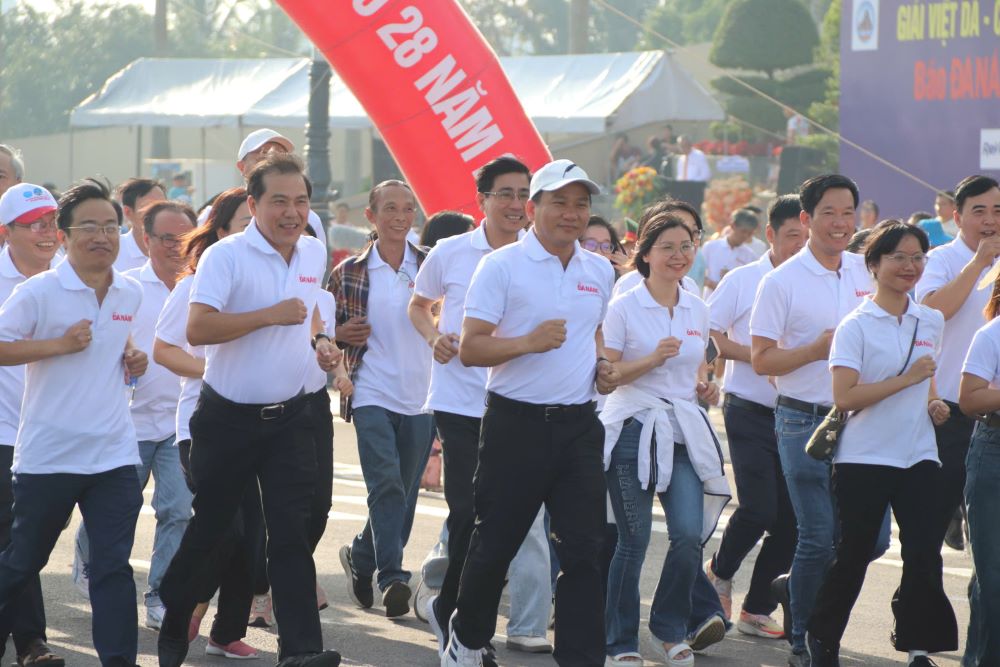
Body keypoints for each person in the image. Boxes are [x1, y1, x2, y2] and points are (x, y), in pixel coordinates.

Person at [156, 152, 342, 667]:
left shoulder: (311, 253)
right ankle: (176, 618)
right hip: (227, 419)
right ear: (254, 203)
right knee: (214, 529)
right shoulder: (226, 257)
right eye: (278, 201)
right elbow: (198, 330)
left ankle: (300, 650)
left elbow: (306, 320)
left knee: (290, 532)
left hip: (290, 419)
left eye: (300, 201)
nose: (291, 212)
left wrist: (322, 342)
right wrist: (268, 316)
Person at [441, 159, 615, 667]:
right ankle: (468, 638)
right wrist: (527, 343)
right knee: (496, 542)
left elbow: (593, 334)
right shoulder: (501, 267)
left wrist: (602, 364)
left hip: (579, 425)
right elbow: (472, 349)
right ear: (532, 207)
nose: (571, 213)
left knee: (585, 548)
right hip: (515, 423)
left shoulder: (599, 270)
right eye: (559, 201)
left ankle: (581, 658)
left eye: (581, 203)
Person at [410, 156, 554, 659]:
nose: (516, 205)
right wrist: (434, 337)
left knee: (497, 522)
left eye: (524, 195)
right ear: (483, 200)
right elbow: (418, 304)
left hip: (517, 402)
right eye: (506, 194)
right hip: (459, 401)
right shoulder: (451, 252)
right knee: (470, 511)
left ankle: (456, 615)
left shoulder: (543, 255)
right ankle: (465, 627)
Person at [0, 178, 148, 666]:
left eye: (111, 226)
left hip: (113, 455)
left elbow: (113, 349)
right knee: (23, 563)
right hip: (49, 456)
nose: (102, 236)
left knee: (111, 569)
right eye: (89, 226)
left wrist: (132, 359)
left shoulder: (128, 293)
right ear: (63, 235)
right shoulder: (39, 292)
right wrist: (57, 345)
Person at [750, 174, 891, 667]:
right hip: (801, 421)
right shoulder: (780, 281)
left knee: (872, 538)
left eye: (848, 212)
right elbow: (763, 361)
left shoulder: (867, 271)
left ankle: (796, 585)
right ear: (806, 219)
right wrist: (814, 350)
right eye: (829, 212)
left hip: (863, 419)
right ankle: (804, 643)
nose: (840, 223)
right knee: (815, 533)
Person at [806, 221, 958, 667]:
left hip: (919, 454)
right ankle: (822, 637)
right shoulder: (855, 326)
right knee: (853, 554)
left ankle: (916, 647)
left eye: (917, 258)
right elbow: (845, 397)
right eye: (898, 258)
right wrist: (906, 381)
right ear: (873, 265)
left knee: (923, 555)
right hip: (864, 457)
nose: (909, 267)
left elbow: (926, 381)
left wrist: (932, 403)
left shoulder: (930, 320)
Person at [600, 212, 730, 667]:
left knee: (689, 536)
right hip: (633, 426)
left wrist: (705, 387)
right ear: (646, 254)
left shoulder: (697, 305)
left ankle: (669, 628)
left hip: (684, 428)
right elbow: (607, 376)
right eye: (668, 247)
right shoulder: (625, 306)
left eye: (687, 246)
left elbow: (698, 368)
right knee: (632, 541)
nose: (679, 256)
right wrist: (651, 360)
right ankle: (619, 641)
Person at [74, 200, 196, 629]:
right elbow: (99, 345)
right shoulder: (125, 288)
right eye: (167, 238)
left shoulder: (201, 288)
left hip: (179, 422)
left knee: (179, 510)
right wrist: (128, 356)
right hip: (128, 422)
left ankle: (160, 595)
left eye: (185, 237)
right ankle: (89, 554)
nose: (177, 247)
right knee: (117, 510)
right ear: (146, 240)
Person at [152, 187, 260, 658]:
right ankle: (183, 609)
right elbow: (165, 348)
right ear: (221, 232)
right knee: (226, 527)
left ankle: (226, 631)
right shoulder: (193, 283)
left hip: (263, 424)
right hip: (202, 425)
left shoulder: (276, 282)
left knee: (253, 535)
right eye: (244, 224)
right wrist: (212, 371)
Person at [329, 179, 434, 619]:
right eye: (389, 208)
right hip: (370, 388)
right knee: (386, 485)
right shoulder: (349, 272)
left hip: (423, 396)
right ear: (371, 217)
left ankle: (361, 555)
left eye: (408, 209)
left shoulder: (430, 265)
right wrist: (337, 336)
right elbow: (320, 333)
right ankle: (392, 576)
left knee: (403, 496)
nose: (400, 217)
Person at [704, 195, 806, 641]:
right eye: (791, 238)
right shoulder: (744, 279)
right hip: (748, 409)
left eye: (807, 239)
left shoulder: (816, 281)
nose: (799, 247)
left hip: (799, 415)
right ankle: (719, 572)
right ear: (770, 235)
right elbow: (705, 332)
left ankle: (757, 608)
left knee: (792, 522)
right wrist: (765, 358)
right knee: (759, 508)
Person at [916, 175, 1000, 557]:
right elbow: (932, 311)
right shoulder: (941, 259)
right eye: (978, 211)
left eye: (997, 211)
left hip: (993, 412)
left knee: (988, 543)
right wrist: (980, 263)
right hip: (948, 412)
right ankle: (916, 612)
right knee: (926, 531)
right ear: (957, 216)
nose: (989, 220)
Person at [0, 183, 62, 667]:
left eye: (52, 222)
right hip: (2, 433)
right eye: (35, 223)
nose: (48, 232)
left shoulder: (72, 278)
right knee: (15, 535)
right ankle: (30, 642)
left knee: (31, 539)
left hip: (53, 433)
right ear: (7, 232)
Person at [953, 177, 1000, 667]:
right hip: (987, 447)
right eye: (981, 210)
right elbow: (970, 398)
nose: (992, 218)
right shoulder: (992, 334)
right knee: (992, 574)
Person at [700, 209, 760, 297]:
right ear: (733, 226)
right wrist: (713, 284)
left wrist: (731, 279)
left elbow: (750, 285)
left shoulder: (750, 256)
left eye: (750, 234)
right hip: (709, 301)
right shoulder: (710, 247)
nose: (746, 236)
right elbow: (698, 275)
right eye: (743, 231)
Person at [113, 178, 166, 272]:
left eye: (163, 205)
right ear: (128, 212)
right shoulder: (113, 251)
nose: (158, 212)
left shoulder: (180, 249)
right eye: (148, 206)